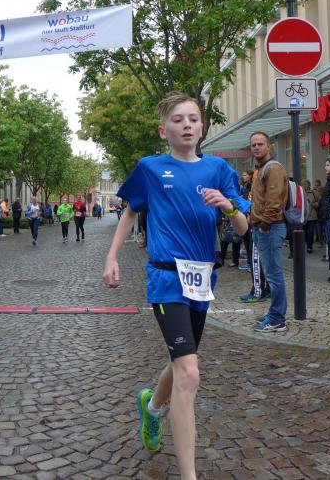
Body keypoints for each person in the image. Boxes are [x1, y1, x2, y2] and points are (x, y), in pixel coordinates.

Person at [102, 93, 249, 478]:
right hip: (166, 278)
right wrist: (112, 257)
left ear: (202, 127)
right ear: (163, 130)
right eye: (178, 119)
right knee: (190, 373)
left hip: (202, 279)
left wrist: (229, 207)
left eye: (193, 119)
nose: (187, 125)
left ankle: (152, 407)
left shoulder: (218, 169)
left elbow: (242, 227)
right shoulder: (150, 168)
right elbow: (130, 212)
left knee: (182, 361)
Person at [249, 131, 289, 333]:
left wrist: (264, 225)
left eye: (260, 144)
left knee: (273, 275)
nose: (256, 147)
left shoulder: (272, 168)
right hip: (264, 227)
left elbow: (274, 201)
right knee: (272, 273)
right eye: (253, 145)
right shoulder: (262, 168)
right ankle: (275, 314)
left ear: (269, 146)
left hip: (270, 228)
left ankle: (277, 318)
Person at [302, 180, 319, 254]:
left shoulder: (313, 193)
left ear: (309, 185)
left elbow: (319, 202)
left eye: (305, 184)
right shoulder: (301, 193)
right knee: (304, 232)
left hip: (312, 216)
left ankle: (309, 247)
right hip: (303, 217)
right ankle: (306, 244)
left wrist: (313, 204)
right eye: (303, 184)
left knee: (310, 232)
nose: (304, 186)